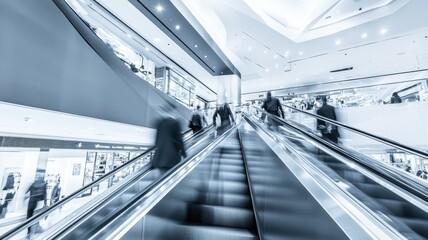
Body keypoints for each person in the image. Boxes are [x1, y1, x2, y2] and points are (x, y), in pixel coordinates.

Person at [152, 104, 187, 172]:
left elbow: (156, 141)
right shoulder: (175, 123)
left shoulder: (160, 123)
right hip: (172, 157)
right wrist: (184, 153)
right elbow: (179, 140)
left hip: (160, 158)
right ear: (172, 111)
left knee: (162, 177)